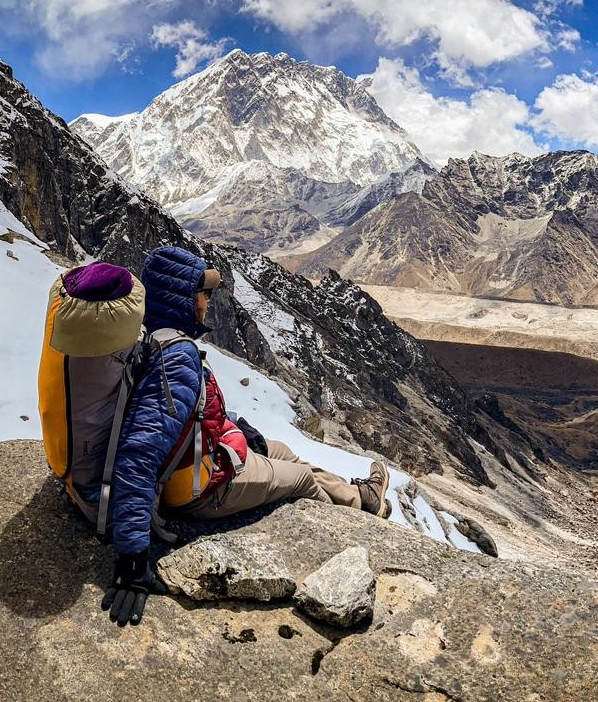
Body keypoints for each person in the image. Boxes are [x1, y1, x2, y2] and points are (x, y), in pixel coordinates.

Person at [102, 245, 391, 627]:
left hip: (201, 457)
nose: (206, 301)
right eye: (201, 293)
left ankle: (361, 499)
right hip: (200, 489)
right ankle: (350, 528)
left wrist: (236, 429)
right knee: (300, 478)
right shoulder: (177, 359)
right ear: (183, 301)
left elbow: (180, 421)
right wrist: (133, 558)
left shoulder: (156, 341)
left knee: (281, 450)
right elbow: (138, 456)